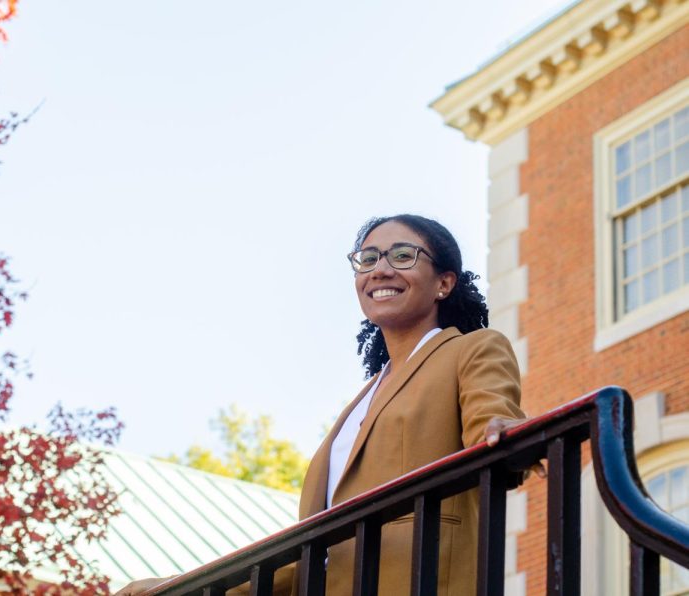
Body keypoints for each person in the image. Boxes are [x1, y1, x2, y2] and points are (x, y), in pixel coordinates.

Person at [116, 214, 528, 596]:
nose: (380, 269)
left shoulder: (472, 349)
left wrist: (501, 429)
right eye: (367, 259)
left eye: (403, 255)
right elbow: (307, 556)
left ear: (444, 283)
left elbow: (492, 419)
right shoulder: (361, 403)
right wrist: (181, 587)